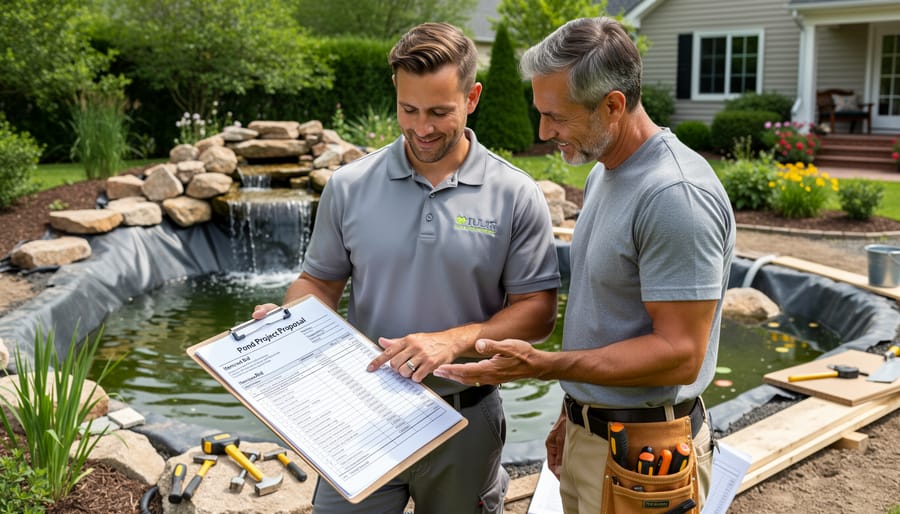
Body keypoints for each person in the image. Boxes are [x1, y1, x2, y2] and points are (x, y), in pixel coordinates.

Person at [252, 22, 560, 514]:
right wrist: (292, 323)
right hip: (357, 416)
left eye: (439, 111)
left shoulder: (515, 193)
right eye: (408, 110)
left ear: (472, 97)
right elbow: (318, 281)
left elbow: (539, 313)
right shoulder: (349, 185)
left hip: (463, 419)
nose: (421, 128)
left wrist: (451, 340)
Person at [434, 17, 736, 513]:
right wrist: (573, 411)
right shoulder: (606, 172)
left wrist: (546, 366)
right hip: (596, 432)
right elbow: (607, 318)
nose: (543, 131)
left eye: (557, 117)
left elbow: (681, 352)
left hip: (644, 456)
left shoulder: (674, 196)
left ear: (613, 105)